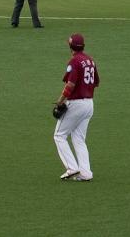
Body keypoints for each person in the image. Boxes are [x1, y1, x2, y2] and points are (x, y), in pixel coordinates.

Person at [54, 33, 99, 182]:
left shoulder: (74, 62)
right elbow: (96, 82)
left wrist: (60, 101)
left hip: (76, 103)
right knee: (79, 138)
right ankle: (86, 173)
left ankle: (72, 168)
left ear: (71, 46)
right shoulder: (90, 60)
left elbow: (70, 84)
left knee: (59, 136)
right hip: (89, 104)